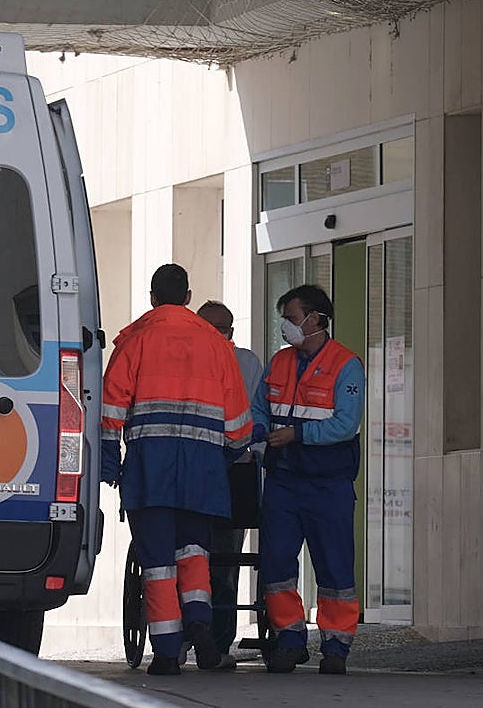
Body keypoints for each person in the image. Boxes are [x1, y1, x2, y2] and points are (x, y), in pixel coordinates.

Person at [100, 264, 253, 676]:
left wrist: (110, 461)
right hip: (203, 471)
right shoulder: (217, 345)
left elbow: (111, 408)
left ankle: (168, 652)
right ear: (188, 297)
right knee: (194, 551)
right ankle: (200, 620)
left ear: (152, 297)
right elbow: (239, 425)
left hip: (151, 469)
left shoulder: (135, 340)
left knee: (158, 562)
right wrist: (220, 459)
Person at [251, 284, 364, 675]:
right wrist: (261, 430)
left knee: (334, 568)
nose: (288, 326)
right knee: (277, 562)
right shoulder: (279, 362)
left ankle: (335, 646)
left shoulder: (346, 365)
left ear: (316, 319)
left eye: (293, 318)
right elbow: (259, 407)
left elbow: (345, 425)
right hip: (283, 479)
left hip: (327, 480)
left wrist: (297, 435)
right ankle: (290, 639)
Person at [196, 300, 263, 669]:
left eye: (222, 329)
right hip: (195, 467)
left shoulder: (247, 364)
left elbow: (249, 417)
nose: (217, 336)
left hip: (232, 470)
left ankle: (219, 642)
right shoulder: (181, 360)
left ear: (231, 333)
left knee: (223, 562)